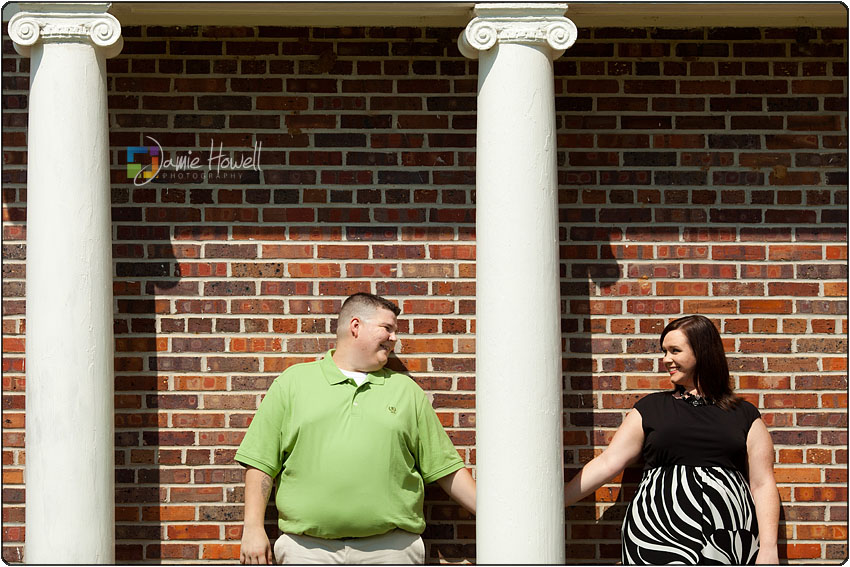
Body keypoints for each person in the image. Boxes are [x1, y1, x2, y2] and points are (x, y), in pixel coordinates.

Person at [236, 292, 476, 565]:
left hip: (391, 551)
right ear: (355, 326)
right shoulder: (293, 383)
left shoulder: (406, 392)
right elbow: (261, 462)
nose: (395, 338)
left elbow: (445, 468)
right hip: (308, 551)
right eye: (387, 328)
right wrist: (253, 528)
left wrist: (500, 520)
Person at [564, 314, 780, 565]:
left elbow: (762, 484)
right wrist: (555, 502)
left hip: (726, 535)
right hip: (658, 532)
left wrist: (768, 548)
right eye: (664, 351)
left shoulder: (744, 414)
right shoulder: (651, 408)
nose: (666, 359)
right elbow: (608, 463)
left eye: (674, 351)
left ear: (702, 352)